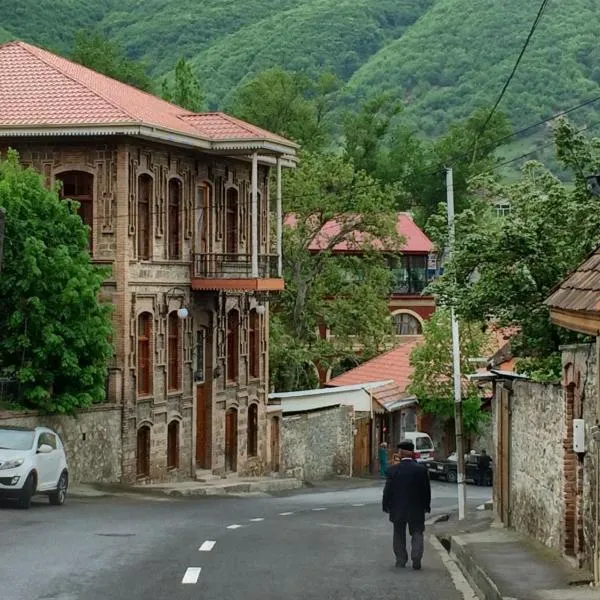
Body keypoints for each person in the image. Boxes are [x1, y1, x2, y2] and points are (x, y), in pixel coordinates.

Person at [382, 440, 431, 570]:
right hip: (417, 507)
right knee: (417, 532)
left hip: (398, 507)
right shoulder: (421, 470)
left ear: (401, 453)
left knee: (398, 532)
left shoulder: (393, 470)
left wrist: (385, 505)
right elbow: (426, 490)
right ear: (412, 452)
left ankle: (401, 559)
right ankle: (416, 557)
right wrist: (426, 505)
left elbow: (388, 490)